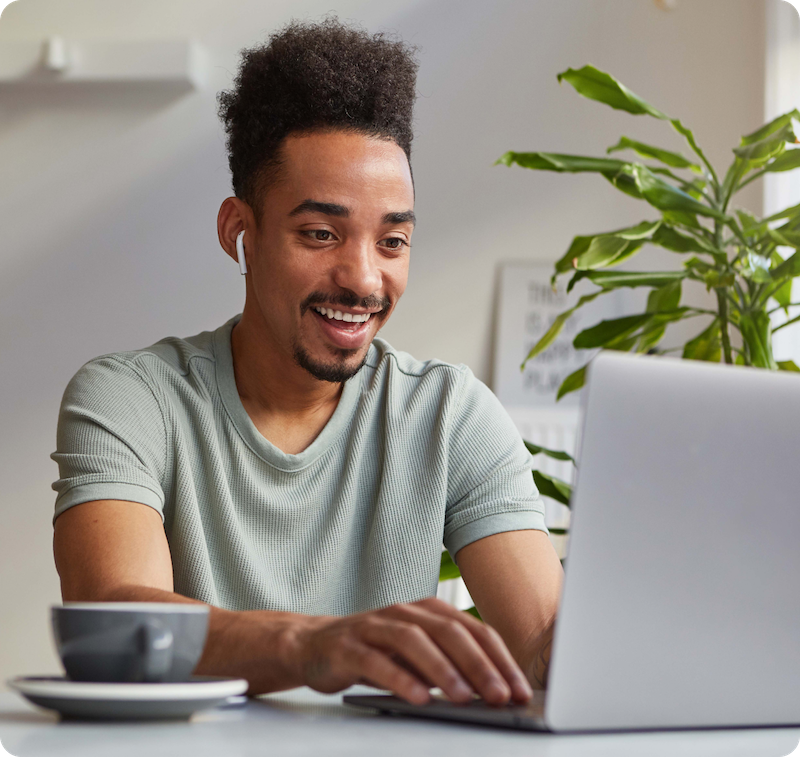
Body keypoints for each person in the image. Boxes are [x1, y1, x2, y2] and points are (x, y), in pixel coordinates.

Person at [51, 18, 563, 706]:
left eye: (392, 241)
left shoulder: (448, 414)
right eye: (321, 234)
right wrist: (312, 645)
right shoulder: (130, 399)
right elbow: (113, 620)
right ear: (241, 232)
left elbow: (544, 649)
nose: (363, 280)